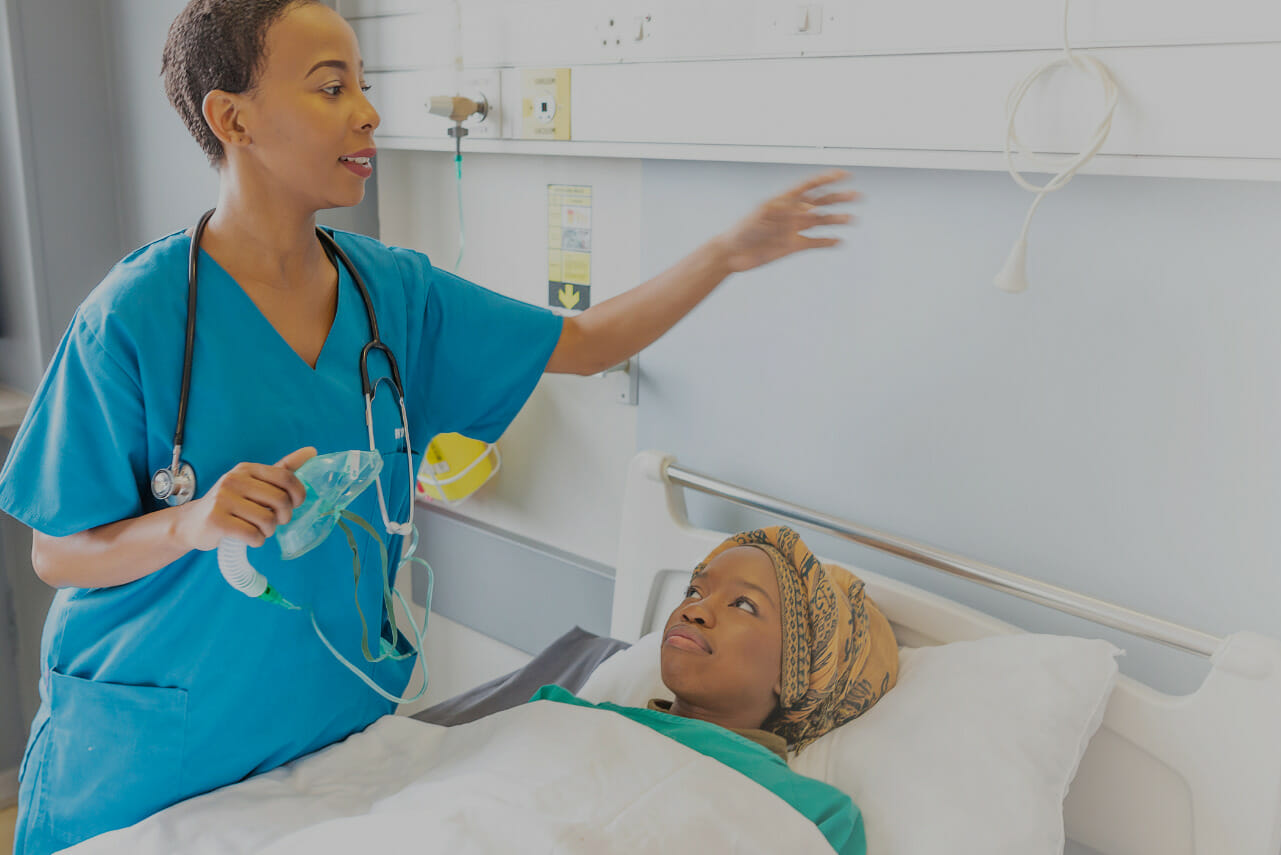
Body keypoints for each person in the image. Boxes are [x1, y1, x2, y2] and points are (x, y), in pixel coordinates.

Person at [0, 1, 858, 851]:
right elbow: (57, 550)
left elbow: (589, 342)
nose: (368, 112)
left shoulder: (392, 295)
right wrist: (190, 522)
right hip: (150, 760)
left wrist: (726, 252)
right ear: (233, 118)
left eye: (364, 85)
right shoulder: (138, 315)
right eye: (331, 87)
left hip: (324, 749)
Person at [530, 526, 901, 854]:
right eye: (694, 590)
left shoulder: (817, 816)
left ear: (794, 674)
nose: (696, 609)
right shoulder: (558, 714)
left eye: (744, 604)